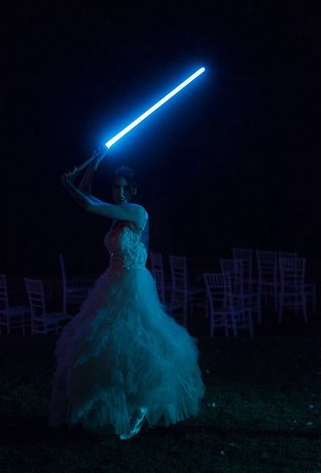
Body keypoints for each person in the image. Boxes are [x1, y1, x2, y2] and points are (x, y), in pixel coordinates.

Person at [50, 150, 205, 440]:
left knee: (137, 343)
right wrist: (93, 165)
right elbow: (88, 196)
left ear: (132, 190)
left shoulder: (136, 211)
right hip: (112, 280)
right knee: (101, 344)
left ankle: (142, 405)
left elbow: (86, 204)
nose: (119, 192)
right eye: (115, 187)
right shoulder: (115, 215)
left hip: (133, 284)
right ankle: (109, 406)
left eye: (124, 188)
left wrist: (67, 185)